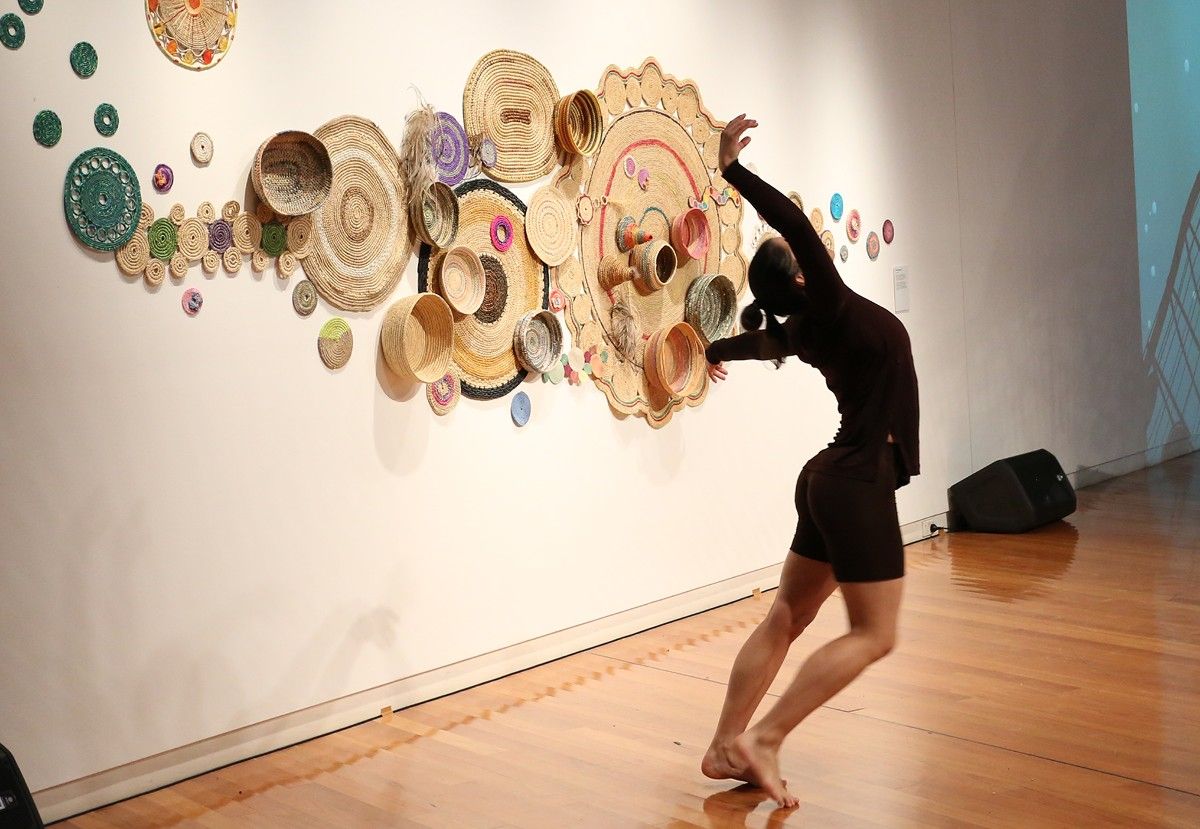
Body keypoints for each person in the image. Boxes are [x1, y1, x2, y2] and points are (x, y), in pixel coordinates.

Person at [699, 115, 920, 808]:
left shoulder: (803, 327)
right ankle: (763, 737)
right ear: (798, 273)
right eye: (798, 254)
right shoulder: (824, 303)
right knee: (875, 633)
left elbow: (757, 347)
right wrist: (732, 171)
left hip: (828, 479)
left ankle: (723, 744)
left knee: (787, 618)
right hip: (855, 481)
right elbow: (793, 220)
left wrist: (712, 351)